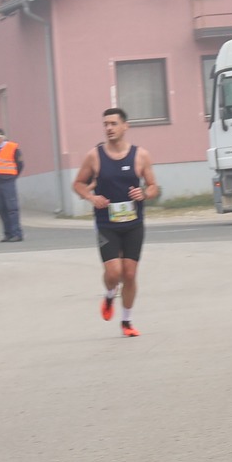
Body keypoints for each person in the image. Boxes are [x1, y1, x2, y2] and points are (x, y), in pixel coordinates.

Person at [72, 106, 159, 337]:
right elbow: (78, 184)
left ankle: (127, 322)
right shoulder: (95, 156)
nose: (109, 128)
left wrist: (145, 194)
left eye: (113, 124)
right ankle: (110, 295)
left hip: (133, 223)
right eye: (105, 124)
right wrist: (91, 197)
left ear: (125, 126)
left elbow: (153, 186)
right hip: (107, 224)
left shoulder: (140, 155)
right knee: (113, 273)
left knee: (129, 274)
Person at [0, 128, 24, 242]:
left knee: (11, 208)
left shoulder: (13, 147)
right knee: (1, 208)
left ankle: (16, 234)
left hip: (8, 180)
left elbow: (20, 164)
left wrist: (13, 176)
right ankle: (8, 234)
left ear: (0, 137)